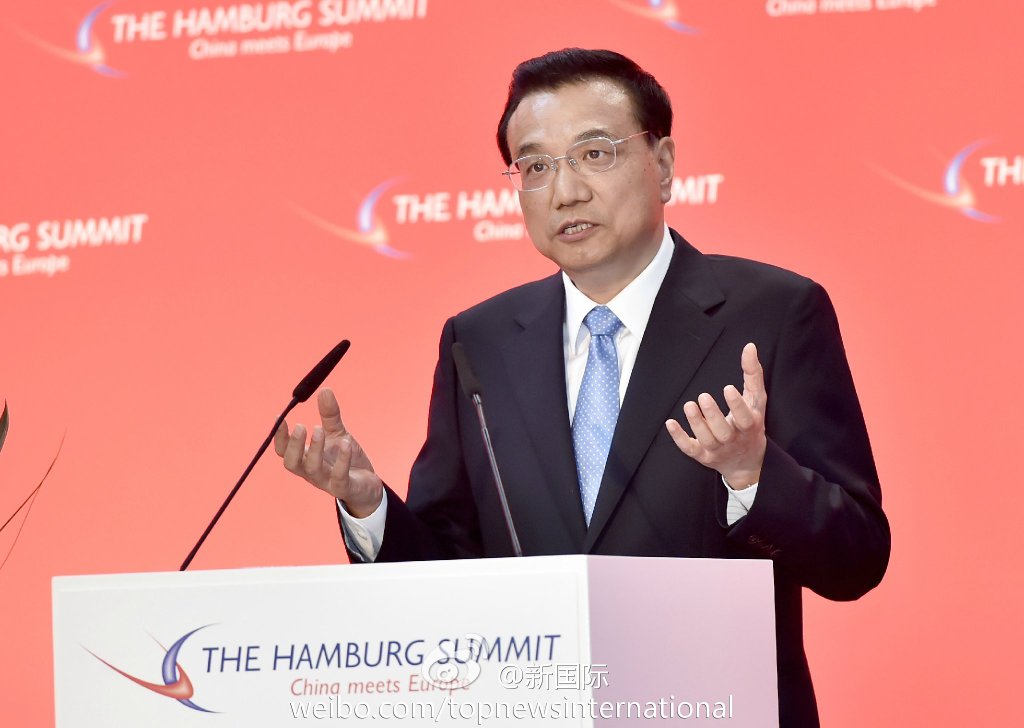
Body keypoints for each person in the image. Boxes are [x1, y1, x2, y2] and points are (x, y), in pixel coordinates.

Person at [274, 48, 890, 727]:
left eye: (595, 154)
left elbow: (857, 559)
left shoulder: (773, 312)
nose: (565, 191)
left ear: (663, 164)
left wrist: (754, 475)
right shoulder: (478, 341)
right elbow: (448, 571)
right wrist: (369, 506)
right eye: (535, 167)